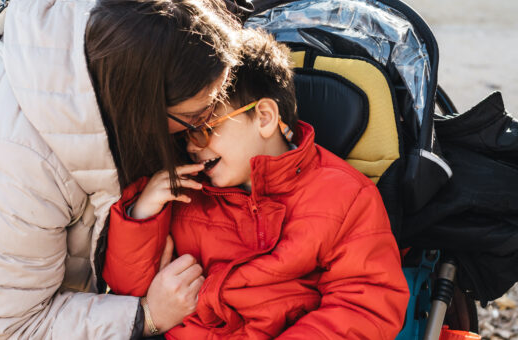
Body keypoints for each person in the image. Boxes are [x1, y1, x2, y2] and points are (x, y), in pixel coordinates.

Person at [0, 0, 241, 339]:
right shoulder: (21, 164)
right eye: (197, 117)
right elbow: (9, 326)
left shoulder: (95, 34)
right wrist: (148, 314)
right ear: (141, 107)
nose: (207, 126)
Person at [103, 29, 410, 339]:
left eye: (204, 129)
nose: (192, 146)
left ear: (263, 117)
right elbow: (128, 292)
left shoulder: (345, 197)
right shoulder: (186, 192)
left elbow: (364, 303)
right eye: (184, 135)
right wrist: (142, 215)